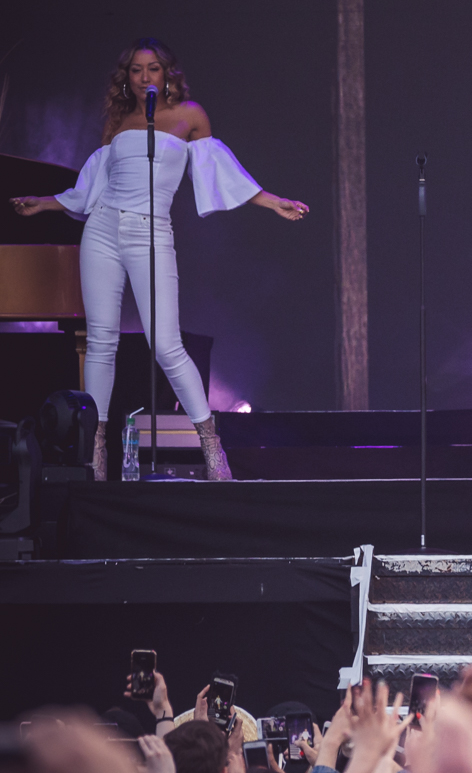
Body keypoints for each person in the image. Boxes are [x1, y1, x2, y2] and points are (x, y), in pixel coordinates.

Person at [9, 37, 309, 481]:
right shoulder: (119, 121)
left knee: (167, 344)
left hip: (150, 231)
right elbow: (92, 186)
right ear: (126, 78)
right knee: (101, 343)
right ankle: (96, 452)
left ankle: (211, 445)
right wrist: (47, 203)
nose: (144, 76)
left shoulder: (190, 116)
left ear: (167, 72)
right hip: (103, 231)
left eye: (152, 68)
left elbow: (219, 170)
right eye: (135, 69)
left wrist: (270, 200)